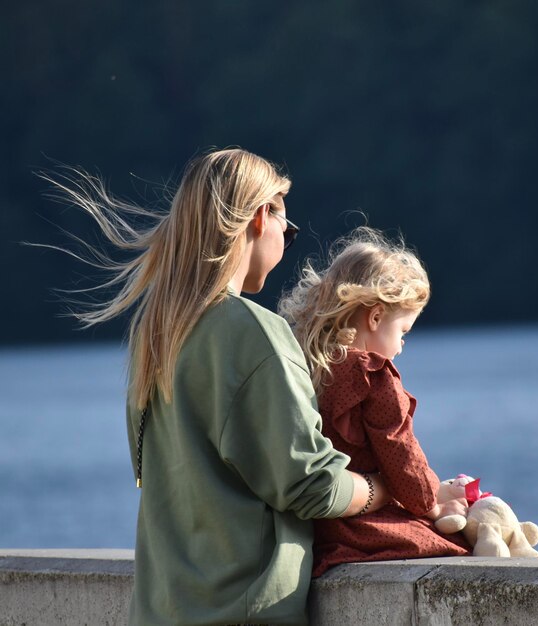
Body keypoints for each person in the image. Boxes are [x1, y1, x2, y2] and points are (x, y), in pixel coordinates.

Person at [45, 149, 390, 625]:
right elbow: (309, 485)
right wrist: (383, 488)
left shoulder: (157, 339)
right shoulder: (254, 331)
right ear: (259, 217)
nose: (287, 242)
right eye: (287, 231)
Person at [278, 227, 472, 577]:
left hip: (320, 532)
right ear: (376, 316)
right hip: (365, 529)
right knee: (463, 546)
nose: (401, 347)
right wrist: (433, 503)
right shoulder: (373, 375)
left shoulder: (309, 365)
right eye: (403, 332)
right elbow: (402, 457)